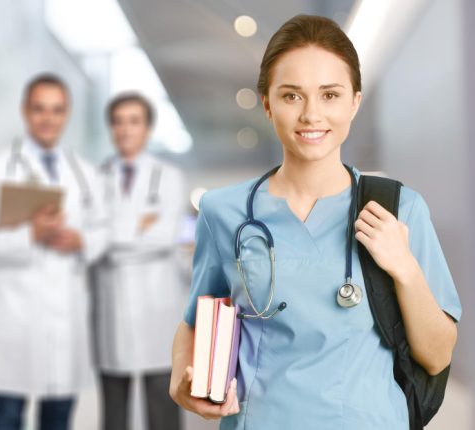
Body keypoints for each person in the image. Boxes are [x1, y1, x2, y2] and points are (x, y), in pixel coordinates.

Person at [169, 15, 461, 430]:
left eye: (330, 95)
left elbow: (437, 356)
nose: (311, 114)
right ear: (267, 103)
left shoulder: (400, 208)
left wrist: (405, 269)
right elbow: (194, 323)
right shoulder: (224, 212)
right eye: (292, 96)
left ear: (354, 102)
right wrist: (182, 381)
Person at [0, 73, 107, 430]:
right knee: (8, 415)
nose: (48, 118)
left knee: (58, 418)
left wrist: (82, 241)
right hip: (15, 315)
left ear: (67, 114)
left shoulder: (84, 173)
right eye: (39, 109)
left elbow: (103, 231)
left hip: (66, 317)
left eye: (56, 110)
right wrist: (31, 235)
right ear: (25, 112)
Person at [93, 93, 185, 430]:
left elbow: (163, 237)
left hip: (156, 311)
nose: (125, 129)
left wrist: (112, 234)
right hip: (111, 310)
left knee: (162, 408)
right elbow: (91, 238)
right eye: (118, 121)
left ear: (147, 128)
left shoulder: (168, 176)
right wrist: (138, 226)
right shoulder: (97, 177)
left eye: (133, 121)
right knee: (113, 412)